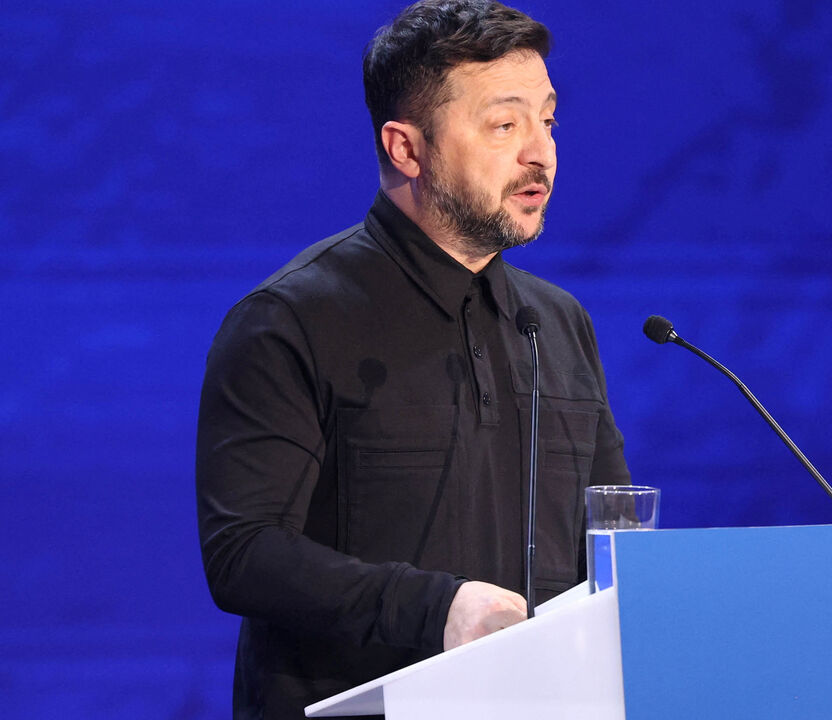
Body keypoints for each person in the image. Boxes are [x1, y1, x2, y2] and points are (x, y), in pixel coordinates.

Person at [195, 1, 630, 717]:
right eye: (505, 125)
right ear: (406, 148)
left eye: (548, 121)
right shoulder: (291, 320)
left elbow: (612, 538)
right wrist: (437, 608)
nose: (541, 153)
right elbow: (243, 553)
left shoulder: (556, 323)